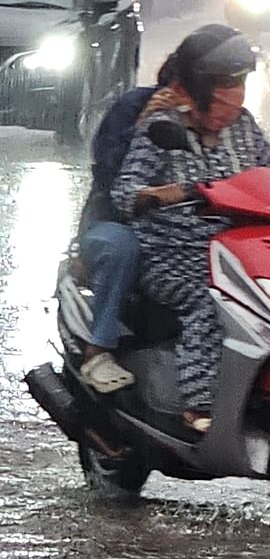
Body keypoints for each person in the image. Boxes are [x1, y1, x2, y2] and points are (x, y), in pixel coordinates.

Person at [111, 25, 270, 433]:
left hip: (239, 251)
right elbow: (125, 193)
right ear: (203, 86)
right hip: (172, 255)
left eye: (241, 83)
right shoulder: (162, 126)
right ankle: (198, 405)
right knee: (211, 301)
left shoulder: (243, 127)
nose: (236, 94)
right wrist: (157, 194)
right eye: (227, 84)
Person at [76, 56, 177, 392]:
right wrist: (143, 124)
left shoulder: (224, 124)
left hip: (179, 230)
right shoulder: (135, 105)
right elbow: (106, 165)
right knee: (123, 248)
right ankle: (99, 348)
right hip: (113, 219)